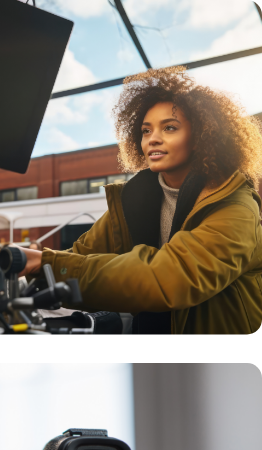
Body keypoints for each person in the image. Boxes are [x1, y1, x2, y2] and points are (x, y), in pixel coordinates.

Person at [21, 65, 262, 335]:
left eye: (169, 128)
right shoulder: (133, 199)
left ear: (201, 137)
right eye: (146, 131)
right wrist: (29, 264)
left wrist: (47, 263)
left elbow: (168, 278)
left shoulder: (236, 206)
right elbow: (79, 257)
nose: (153, 139)